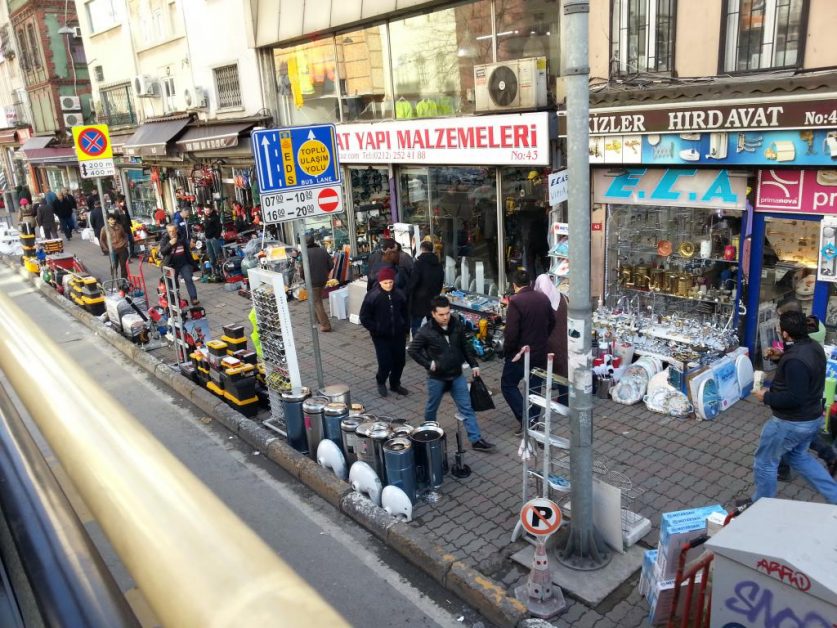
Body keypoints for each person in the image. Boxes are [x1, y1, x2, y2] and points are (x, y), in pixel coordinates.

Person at [751, 310, 837, 504]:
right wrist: (779, 357)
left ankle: (760, 506)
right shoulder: (813, 347)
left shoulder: (795, 360)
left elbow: (794, 398)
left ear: (785, 334)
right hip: (811, 418)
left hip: (790, 423)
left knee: (765, 463)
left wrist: (766, 396)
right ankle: (835, 496)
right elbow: (800, 365)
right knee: (798, 457)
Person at [408, 296, 495, 451]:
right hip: (437, 378)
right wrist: (428, 364)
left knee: (466, 408)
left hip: (456, 375)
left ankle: (476, 440)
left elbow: (464, 345)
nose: (446, 317)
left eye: (447, 313)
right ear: (433, 314)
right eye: (441, 314)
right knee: (432, 408)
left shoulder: (456, 324)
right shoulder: (426, 331)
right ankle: (429, 435)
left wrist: (474, 364)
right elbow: (413, 350)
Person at [501, 269, 556, 433]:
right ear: (530, 283)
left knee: (508, 384)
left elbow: (511, 332)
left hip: (521, 353)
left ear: (514, 285)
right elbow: (552, 321)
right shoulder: (543, 298)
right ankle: (533, 421)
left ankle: (526, 419)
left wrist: (508, 351)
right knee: (534, 387)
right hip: (540, 351)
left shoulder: (516, 302)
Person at [360, 267, 409, 397]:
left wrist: (405, 327)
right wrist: (376, 328)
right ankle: (381, 381)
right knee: (385, 362)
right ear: (380, 282)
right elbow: (364, 317)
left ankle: (395, 384)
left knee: (400, 361)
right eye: (385, 282)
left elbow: (405, 312)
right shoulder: (372, 295)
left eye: (390, 282)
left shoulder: (399, 294)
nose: (388, 285)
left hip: (398, 334)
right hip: (381, 336)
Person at [534, 274, 569, 380]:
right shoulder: (563, 298)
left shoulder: (540, 303)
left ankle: (535, 394)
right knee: (561, 369)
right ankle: (563, 395)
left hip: (547, 342)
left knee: (539, 371)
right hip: (563, 340)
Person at [407, 240, 444, 337]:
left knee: (416, 326)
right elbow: (440, 283)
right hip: (433, 299)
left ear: (421, 249)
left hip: (419, 301)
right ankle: (433, 345)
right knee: (433, 325)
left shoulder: (418, 264)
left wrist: (408, 292)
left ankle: (417, 346)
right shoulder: (439, 265)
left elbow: (413, 282)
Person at [159, 222, 200, 306]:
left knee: (188, 279)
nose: (172, 233)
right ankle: (175, 300)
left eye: (173, 230)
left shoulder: (181, 237)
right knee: (173, 283)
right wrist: (170, 244)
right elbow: (163, 252)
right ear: (167, 231)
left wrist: (191, 245)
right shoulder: (165, 239)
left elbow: (187, 245)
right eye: (169, 231)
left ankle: (194, 298)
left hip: (184, 263)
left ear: (176, 230)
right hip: (171, 265)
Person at [303, 236, 334, 332]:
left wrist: (304, 278)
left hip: (312, 281)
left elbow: (301, 269)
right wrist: (325, 272)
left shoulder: (305, 253)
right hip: (322, 279)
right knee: (315, 299)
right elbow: (331, 264)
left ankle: (326, 325)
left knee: (317, 302)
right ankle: (317, 319)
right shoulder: (322, 250)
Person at [99, 213, 130, 280]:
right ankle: (115, 280)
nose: (113, 221)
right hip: (112, 250)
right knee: (114, 266)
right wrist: (106, 249)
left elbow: (125, 235)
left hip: (122, 248)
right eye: (111, 219)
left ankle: (124, 281)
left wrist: (125, 243)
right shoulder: (104, 229)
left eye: (114, 219)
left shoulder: (120, 226)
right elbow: (102, 240)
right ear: (108, 220)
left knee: (124, 266)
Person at [202, 206, 224, 276]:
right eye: (205, 210)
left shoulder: (216, 217)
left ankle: (220, 271)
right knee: (210, 255)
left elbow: (219, 228)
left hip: (213, 239)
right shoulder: (205, 217)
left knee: (217, 254)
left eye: (207, 210)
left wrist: (216, 237)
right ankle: (213, 271)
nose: (206, 212)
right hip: (207, 239)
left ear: (211, 210)